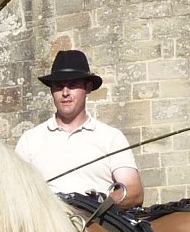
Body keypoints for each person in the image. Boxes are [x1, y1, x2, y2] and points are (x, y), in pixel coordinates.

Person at [14, 49, 144, 206]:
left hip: (98, 226)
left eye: (73, 85)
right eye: (59, 86)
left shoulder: (111, 137)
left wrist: (95, 207)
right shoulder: (30, 140)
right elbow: (16, 192)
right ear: (52, 90)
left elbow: (133, 191)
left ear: (88, 88)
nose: (65, 93)